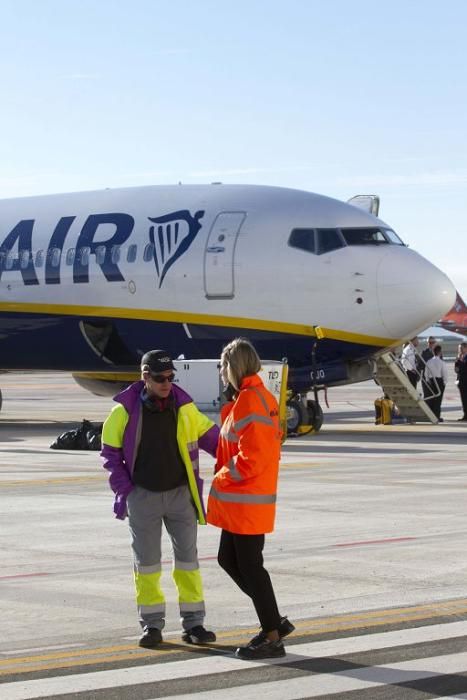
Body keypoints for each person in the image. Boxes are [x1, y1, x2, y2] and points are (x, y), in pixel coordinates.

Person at [101, 349, 219, 648]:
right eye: (159, 378)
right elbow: (110, 454)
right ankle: (151, 625)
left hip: (180, 495)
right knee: (148, 564)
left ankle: (194, 624)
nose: (166, 383)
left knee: (188, 562)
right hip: (143, 497)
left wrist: (248, 447)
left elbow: (214, 439)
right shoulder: (123, 411)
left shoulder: (184, 406)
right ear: (144, 377)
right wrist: (125, 490)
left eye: (170, 377)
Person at [207, 337, 294, 660]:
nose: (220, 370)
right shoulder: (252, 397)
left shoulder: (251, 399)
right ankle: (273, 623)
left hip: (245, 500)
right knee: (229, 561)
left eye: (222, 365)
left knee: (250, 567)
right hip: (242, 501)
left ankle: (272, 636)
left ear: (234, 366)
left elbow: (253, 457)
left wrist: (221, 476)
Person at [424, 344, 448, 421]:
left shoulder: (429, 361)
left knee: (431, 399)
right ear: (440, 352)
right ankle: (437, 416)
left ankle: (431, 416)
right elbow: (445, 374)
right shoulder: (442, 362)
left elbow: (426, 373)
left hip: (431, 381)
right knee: (438, 400)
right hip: (439, 381)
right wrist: (444, 382)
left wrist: (428, 380)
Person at [454, 342, 467, 421]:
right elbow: (457, 370)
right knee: (463, 399)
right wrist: (457, 362)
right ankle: (465, 415)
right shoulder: (459, 358)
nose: (460, 350)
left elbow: (464, 369)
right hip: (461, 382)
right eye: (459, 349)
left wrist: (460, 361)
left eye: (461, 348)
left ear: (466, 348)